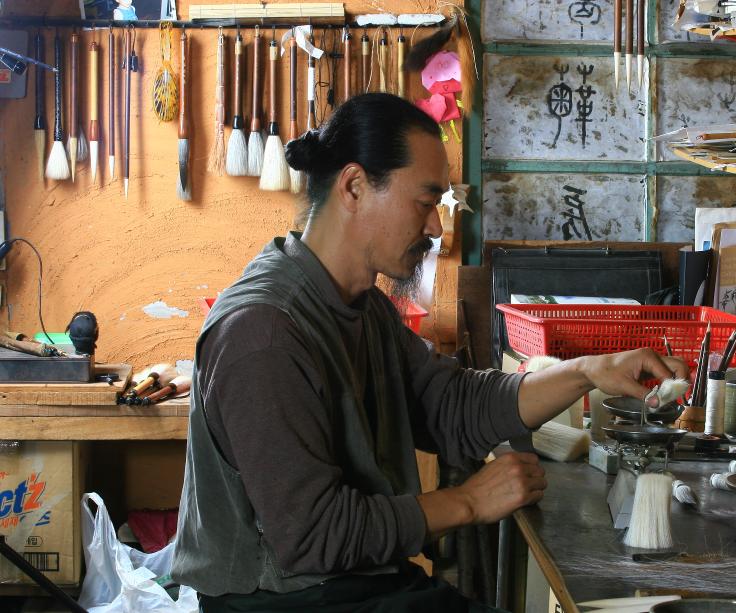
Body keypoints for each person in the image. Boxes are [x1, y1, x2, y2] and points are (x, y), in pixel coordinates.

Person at [172, 93, 689, 612]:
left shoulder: (361, 307)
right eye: (425, 202)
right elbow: (313, 535)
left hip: (356, 584)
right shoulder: (265, 332)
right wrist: (467, 501)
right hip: (284, 601)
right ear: (353, 187)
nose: (436, 228)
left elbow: (451, 404)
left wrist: (590, 371)